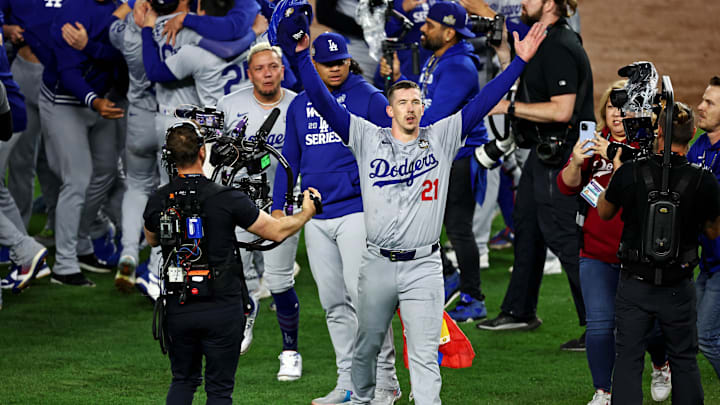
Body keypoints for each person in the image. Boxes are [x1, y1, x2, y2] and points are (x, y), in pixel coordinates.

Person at [278, 12, 546, 402]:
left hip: (423, 266)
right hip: (377, 264)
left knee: (424, 355)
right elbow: (322, 102)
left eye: (415, 102)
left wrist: (519, 63)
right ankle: (366, 396)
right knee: (367, 348)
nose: (409, 108)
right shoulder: (365, 136)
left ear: (423, 108)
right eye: (401, 102)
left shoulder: (442, 136)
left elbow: (483, 101)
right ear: (389, 110)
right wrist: (302, 58)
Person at [143, 121, 320, 404]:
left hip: (179, 305)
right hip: (222, 306)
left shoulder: (158, 199)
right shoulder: (226, 197)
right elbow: (276, 231)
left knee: (183, 381)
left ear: (169, 157)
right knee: (219, 390)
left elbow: (152, 239)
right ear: (202, 152)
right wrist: (306, 213)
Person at [271, 32, 400, 402]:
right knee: (333, 303)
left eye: (340, 61)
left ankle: (386, 382)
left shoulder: (368, 97)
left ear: (348, 60)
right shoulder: (300, 104)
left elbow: (393, 151)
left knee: (367, 301)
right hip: (316, 216)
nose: (335, 68)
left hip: (358, 211)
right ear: (314, 64)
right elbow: (289, 159)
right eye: (327, 64)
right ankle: (348, 383)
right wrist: (279, 206)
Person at [477, 0, 592, 351]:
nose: (521, 2)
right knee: (526, 227)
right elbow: (529, 87)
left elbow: (562, 110)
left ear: (550, 3)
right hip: (544, 152)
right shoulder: (542, 39)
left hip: (563, 156)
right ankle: (519, 310)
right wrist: (503, 54)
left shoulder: (560, 45)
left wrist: (507, 107)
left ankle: (601, 325)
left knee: (565, 238)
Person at [597, 101, 720, 404]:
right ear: (692, 132)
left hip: (634, 285)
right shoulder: (704, 179)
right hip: (679, 286)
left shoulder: (631, 172)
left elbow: (604, 212)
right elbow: (713, 231)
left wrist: (618, 174)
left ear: (659, 132)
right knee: (684, 360)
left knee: (628, 359)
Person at [380, 1, 494, 322]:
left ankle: (473, 296)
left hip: (461, 157)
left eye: (430, 25)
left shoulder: (459, 67)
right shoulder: (439, 57)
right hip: (443, 155)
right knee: (424, 220)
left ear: (448, 33)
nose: (424, 28)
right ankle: (450, 275)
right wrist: (400, 77)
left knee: (458, 228)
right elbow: (423, 97)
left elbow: (434, 115)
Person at [557, 80, 669, 405]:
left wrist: (621, 162)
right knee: (600, 326)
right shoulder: (592, 143)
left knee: (651, 325)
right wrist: (576, 162)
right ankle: (602, 392)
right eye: (611, 106)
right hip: (595, 252)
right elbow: (566, 187)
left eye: (625, 107)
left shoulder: (649, 147)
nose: (617, 114)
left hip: (640, 255)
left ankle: (661, 365)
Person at [215, 42, 303, 375]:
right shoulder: (229, 105)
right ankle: (246, 312)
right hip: (240, 201)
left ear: (283, 70)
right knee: (236, 270)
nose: (267, 74)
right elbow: (215, 156)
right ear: (249, 73)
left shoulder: (298, 105)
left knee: (280, 280)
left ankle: (290, 350)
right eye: (260, 68)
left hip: (284, 203)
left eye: (273, 67)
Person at [39, 0, 125, 287]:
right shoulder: (72, 10)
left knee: (106, 171)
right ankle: (64, 265)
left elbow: (120, 56)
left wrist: (90, 46)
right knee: (76, 179)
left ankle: (80, 242)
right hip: (64, 101)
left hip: (101, 100)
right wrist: (94, 101)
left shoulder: (120, 7)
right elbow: (68, 72)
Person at [688, 76, 720, 379]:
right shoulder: (699, 145)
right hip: (709, 263)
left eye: (709, 103)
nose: (700, 106)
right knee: (690, 331)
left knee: (707, 337)